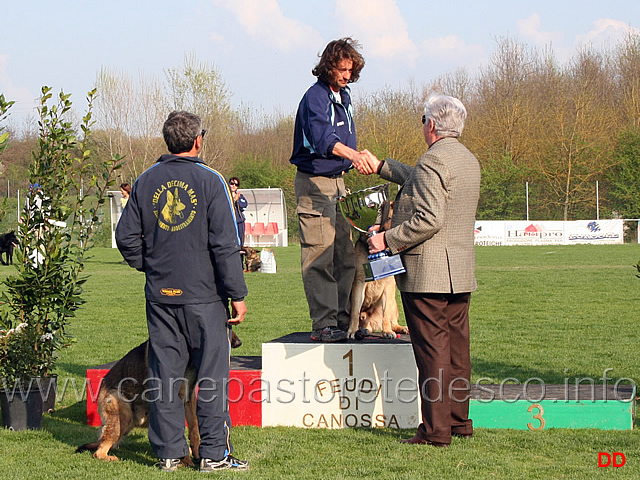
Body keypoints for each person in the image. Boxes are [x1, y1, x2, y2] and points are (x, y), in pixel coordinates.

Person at [116, 111, 249, 472]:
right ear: (197, 140)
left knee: (164, 378)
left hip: (161, 298)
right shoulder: (211, 180)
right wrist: (237, 293)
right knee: (211, 379)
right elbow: (225, 244)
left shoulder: (145, 181)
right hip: (204, 298)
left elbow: (125, 238)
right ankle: (214, 455)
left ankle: (170, 454)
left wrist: (152, 264)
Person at [356, 94, 481, 447]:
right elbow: (420, 182)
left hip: (427, 272)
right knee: (457, 350)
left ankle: (435, 431)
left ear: (431, 124)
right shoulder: (466, 160)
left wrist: (387, 240)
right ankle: (458, 421)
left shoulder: (431, 162)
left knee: (432, 354)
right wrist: (383, 166)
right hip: (458, 271)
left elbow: (429, 217)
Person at [289, 37, 367, 342]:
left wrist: (354, 160)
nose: (347, 75)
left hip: (339, 184)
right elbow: (323, 140)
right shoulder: (315, 98)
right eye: (342, 69)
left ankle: (346, 322)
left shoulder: (343, 97)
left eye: (351, 70)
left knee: (346, 256)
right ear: (328, 66)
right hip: (314, 184)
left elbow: (348, 139)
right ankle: (324, 324)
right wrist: (354, 156)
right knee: (319, 254)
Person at [228, 176, 248, 254]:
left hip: (239, 222)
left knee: (240, 243)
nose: (233, 186)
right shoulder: (224, 196)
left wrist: (237, 201)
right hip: (229, 222)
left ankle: (240, 263)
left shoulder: (240, 196)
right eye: (232, 183)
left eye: (236, 184)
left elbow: (244, 206)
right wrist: (233, 200)